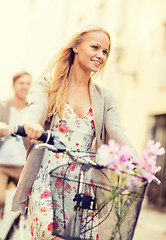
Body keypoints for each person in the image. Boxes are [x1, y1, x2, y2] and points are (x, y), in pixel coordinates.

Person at [12, 26, 138, 240]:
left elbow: (117, 131)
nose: (100, 55)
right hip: (46, 177)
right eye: (95, 47)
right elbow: (34, 111)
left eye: (105, 51)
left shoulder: (104, 96)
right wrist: (31, 126)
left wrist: (138, 159)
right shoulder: (48, 85)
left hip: (82, 182)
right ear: (76, 46)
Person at [0, 72, 32, 214]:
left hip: (23, 165)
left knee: (30, 201)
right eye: (21, 83)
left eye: (28, 83)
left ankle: (20, 227)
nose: (25, 86)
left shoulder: (32, 109)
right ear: (13, 85)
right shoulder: (2, 106)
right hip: (2, 164)